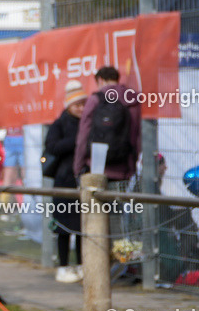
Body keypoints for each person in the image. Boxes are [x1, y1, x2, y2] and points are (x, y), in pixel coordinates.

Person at [44, 80, 87, 283]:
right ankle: (62, 266)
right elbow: (52, 147)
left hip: (82, 180)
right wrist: (76, 141)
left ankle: (80, 264)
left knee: (81, 227)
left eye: (82, 104)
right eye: (76, 104)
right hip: (63, 181)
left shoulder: (89, 124)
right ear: (68, 105)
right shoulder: (59, 124)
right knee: (63, 227)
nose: (80, 108)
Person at [73, 66, 142, 183]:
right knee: (121, 201)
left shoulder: (95, 99)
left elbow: (84, 134)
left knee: (98, 201)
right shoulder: (133, 99)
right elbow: (137, 135)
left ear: (100, 80)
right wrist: (132, 164)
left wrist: (78, 166)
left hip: (97, 167)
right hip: (124, 167)